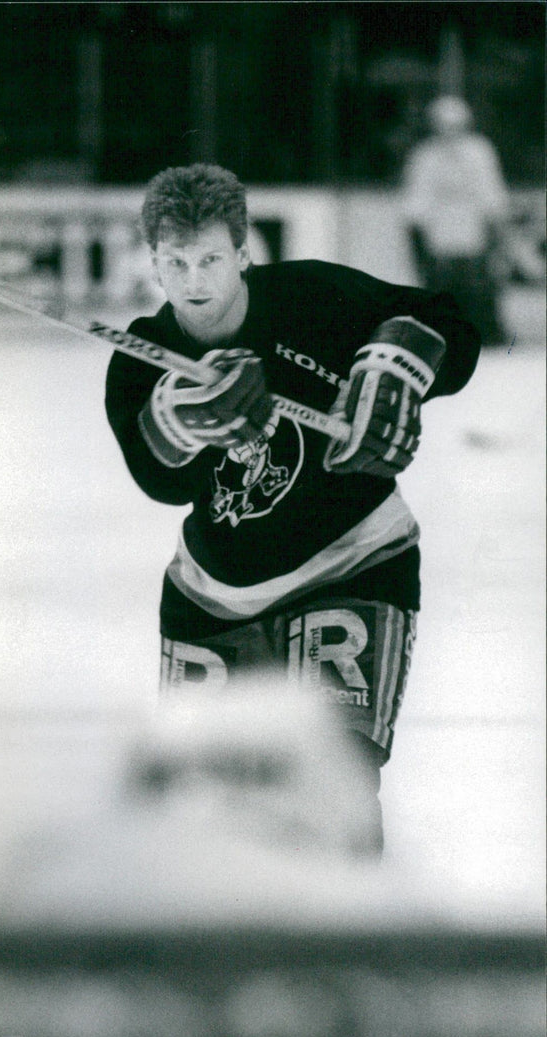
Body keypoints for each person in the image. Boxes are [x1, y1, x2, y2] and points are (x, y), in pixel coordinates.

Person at [105, 164, 481, 856]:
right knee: (202, 814)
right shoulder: (140, 358)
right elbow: (159, 481)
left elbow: (449, 320)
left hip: (355, 562)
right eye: (176, 261)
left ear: (245, 253)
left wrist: (396, 365)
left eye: (212, 258)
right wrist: (184, 418)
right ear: (153, 263)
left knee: (336, 787)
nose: (195, 281)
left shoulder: (315, 296)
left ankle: (354, 947)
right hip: (208, 598)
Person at [401, 94, 512, 346]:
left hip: (473, 231)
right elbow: (417, 199)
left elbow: (490, 192)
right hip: (440, 233)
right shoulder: (425, 156)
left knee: (479, 286)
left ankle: (487, 335)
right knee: (442, 286)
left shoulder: (480, 151)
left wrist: (494, 224)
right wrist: (418, 228)